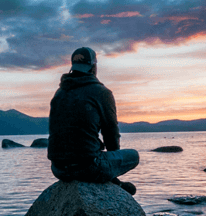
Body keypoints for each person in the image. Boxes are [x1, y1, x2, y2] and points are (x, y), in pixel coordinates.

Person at [47, 47, 139, 195]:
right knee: (133, 156)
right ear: (93, 67)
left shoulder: (59, 93)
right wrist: (111, 166)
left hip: (58, 169)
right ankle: (114, 182)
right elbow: (111, 133)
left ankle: (114, 182)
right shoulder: (101, 93)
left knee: (94, 154)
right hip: (87, 167)